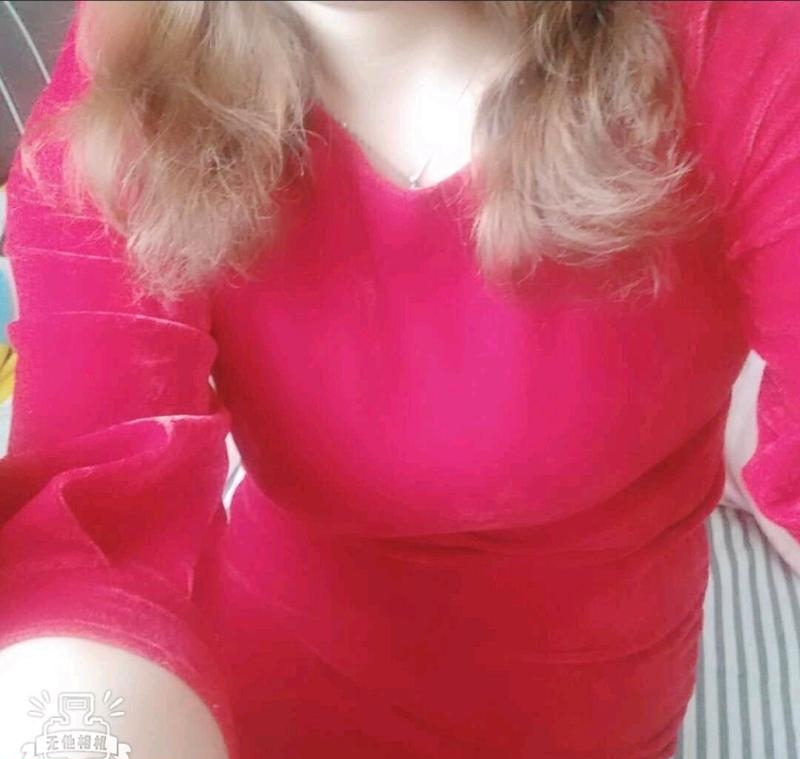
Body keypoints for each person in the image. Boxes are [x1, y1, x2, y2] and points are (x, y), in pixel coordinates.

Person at [1, 1, 798, 758]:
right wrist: (77, 736)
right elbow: (90, 542)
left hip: (594, 708)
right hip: (250, 691)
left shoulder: (735, 50)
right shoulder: (134, 83)